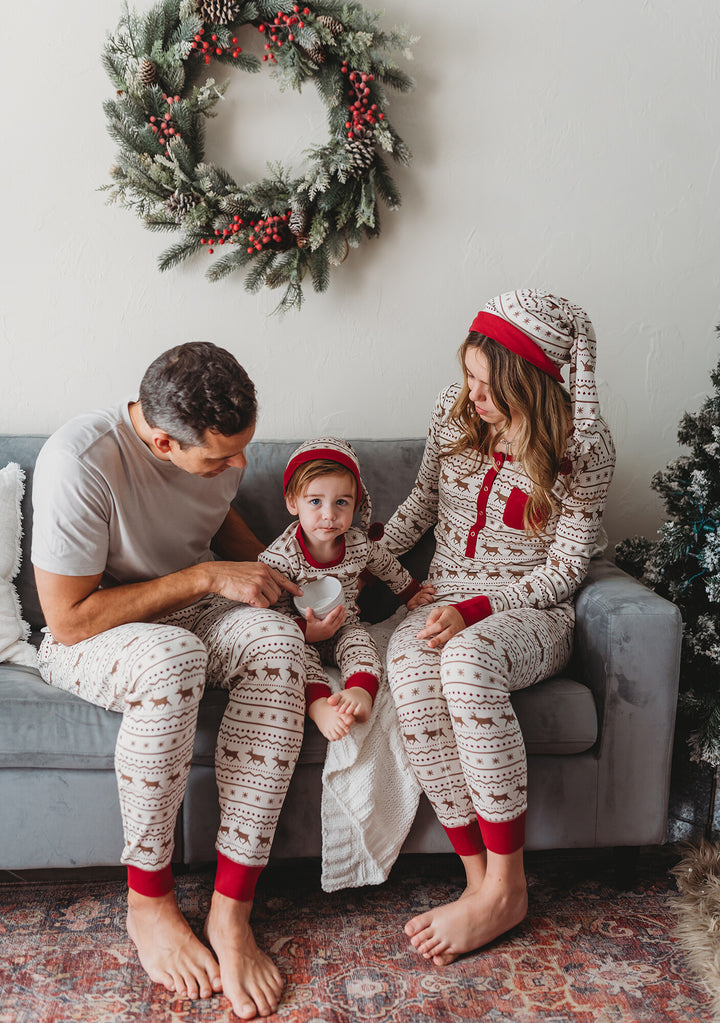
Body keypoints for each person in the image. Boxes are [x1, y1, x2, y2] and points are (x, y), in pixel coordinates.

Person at [31, 342, 307, 1021]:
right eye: (220, 457)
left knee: (279, 641)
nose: (238, 467)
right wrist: (205, 575)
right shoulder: (79, 461)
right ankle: (148, 902)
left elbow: (219, 521)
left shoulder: (220, 453)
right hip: (95, 629)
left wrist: (293, 580)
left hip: (189, 611)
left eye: (245, 448)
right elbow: (68, 620)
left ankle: (230, 911)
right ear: (160, 439)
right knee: (171, 658)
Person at [380, 289, 616, 965]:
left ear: (529, 386)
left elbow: (567, 568)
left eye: (488, 385)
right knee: (412, 667)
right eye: (470, 377)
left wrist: (476, 611)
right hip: (441, 596)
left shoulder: (583, 450)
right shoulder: (452, 414)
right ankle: (481, 884)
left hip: (528, 611)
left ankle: (508, 884)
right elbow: (418, 508)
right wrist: (360, 563)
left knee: (463, 660)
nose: (472, 395)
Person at [258, 438, 435, 740]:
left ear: (357, 503)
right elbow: (269, 613)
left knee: (362, 647)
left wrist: (411, 593)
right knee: (298, 663)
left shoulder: (357, 543)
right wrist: (304, 631)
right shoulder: (280, 557)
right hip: (303, 634)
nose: (329, 514)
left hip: (345, 624)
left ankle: (360, 692)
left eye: (341, 502)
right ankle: (318, 706)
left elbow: (387, 567)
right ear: (292, 502)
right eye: (315, 501)